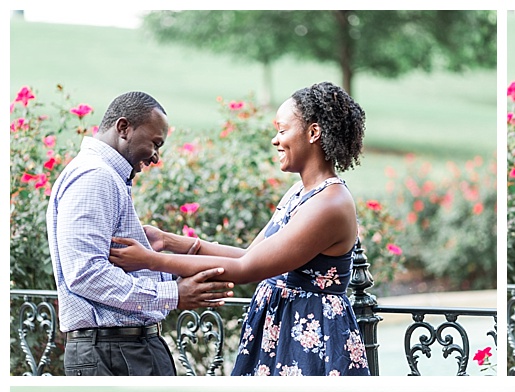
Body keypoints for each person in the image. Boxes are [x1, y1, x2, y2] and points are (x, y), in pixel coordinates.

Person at [108, 83, 370, 376]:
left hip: (312, 337)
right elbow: (251, 254)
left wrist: (150, 260)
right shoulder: (300, 192)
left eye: (282, 130)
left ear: (313, 133)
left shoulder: (330, 204)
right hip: (283, 328)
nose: (275, 140)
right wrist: (170, 241)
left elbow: (247, 268)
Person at [45, 90, 233, 376]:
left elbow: (111, 268)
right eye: (155, 143)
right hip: (113, 351)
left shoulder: (104, 175)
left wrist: (179, 271)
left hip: (124, 348)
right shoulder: (95, 176)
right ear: (124, 128)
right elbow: (86, 274)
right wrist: (172, 294)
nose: (156, 157)